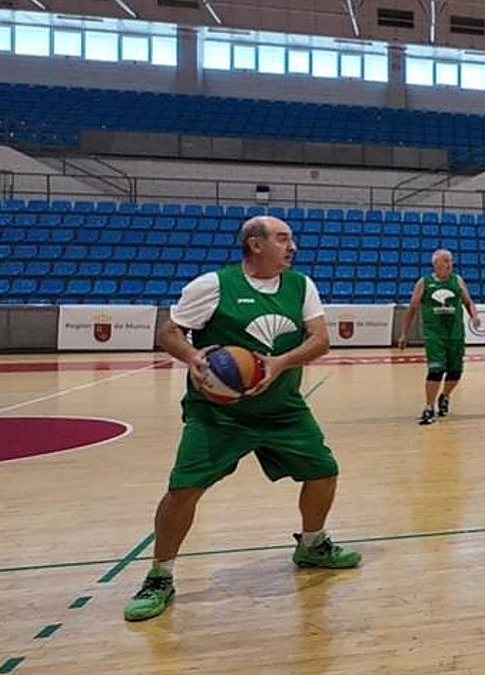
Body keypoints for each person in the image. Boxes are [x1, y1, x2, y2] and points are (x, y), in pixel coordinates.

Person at [123, 216, 360, 623]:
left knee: (323, 471)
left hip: (282, 409)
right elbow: (170, 333)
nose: (293, 247)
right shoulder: (213, 285)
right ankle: (160, 575)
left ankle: (312, 544)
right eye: (283, 239)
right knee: (184, 489)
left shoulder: (301, 285)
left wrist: (281, 362)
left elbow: (320, 339)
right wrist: (194, 358)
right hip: (219, 415)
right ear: (255, 244)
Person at [398, 249, 478, 425]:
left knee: (455, 371)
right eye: (446, 260)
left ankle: (445, 395)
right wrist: (404, 333)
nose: (450, 264)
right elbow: (412, 308)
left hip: (455, 334)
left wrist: (474, 316)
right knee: (435, 370)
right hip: (434, 334)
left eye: (450, 261)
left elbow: (468, 301)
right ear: (436, 264)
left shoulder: (457, 280)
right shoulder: (424, 282)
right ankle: (428, 406)